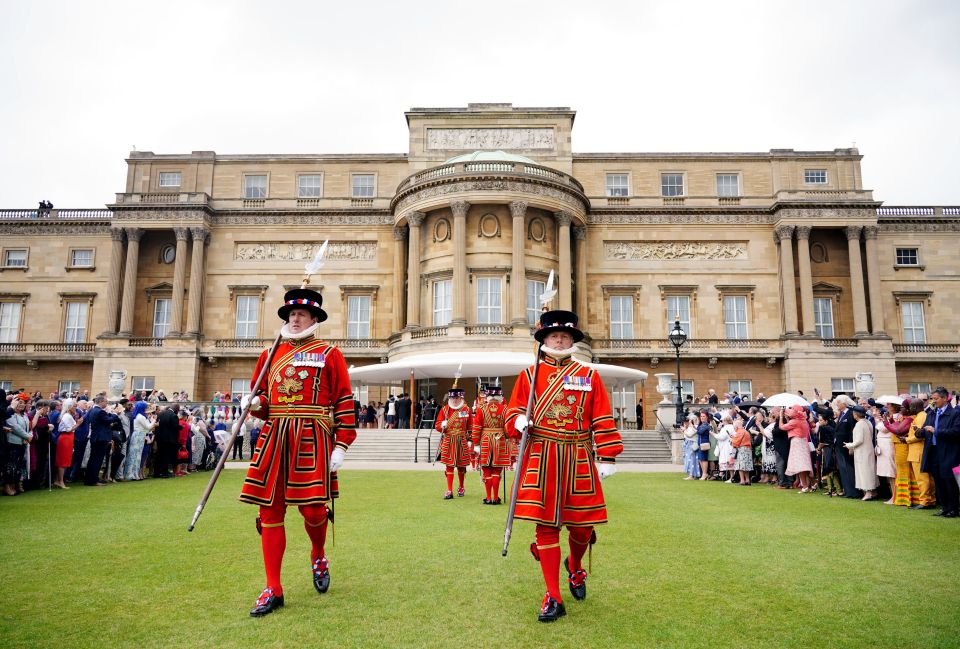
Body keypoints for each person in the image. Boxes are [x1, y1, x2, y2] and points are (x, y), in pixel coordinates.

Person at [239, 287, 356, 617]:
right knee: (269, 513)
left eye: (301, 314)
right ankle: (273, 587)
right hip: (275, 435)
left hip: (312, 435)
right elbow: (262, 397)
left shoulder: (329, 353)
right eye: (290, 315)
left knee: (314, 511)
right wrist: (255, 403)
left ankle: (318, 553)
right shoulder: (269, 353)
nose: (294, 319)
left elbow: (345, 400)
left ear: (314, 319)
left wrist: (342, 443)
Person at [504, 309, 622, 623]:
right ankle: (553, 596)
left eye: (565, 336)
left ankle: (575, 565)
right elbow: (512, 411)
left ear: (572, 339)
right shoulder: (528, 377)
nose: (559, 340)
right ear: (544, 339)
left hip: (578, 456)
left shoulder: (589, 375)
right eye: (554, 336)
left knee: (582, 527)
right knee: (546, 526)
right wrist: (517, 419)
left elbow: (601, 415)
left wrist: (607, 454)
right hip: (542, 456)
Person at [917, 387, 960, 517]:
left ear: (944, 398)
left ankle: (953, 509)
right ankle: (944, 507)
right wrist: (920, 432)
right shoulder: (932, 413)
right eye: (932, 399)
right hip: (933, 451)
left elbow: (956, 432)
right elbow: (926, 429)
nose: (934, 401)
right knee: (938, 480)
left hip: (949, 451)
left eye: (936, 399)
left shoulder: (955, 413)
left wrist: (936, 431)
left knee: (949, 480)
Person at [471, 384, 510, 503]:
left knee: (487, 470)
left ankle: (488, 498)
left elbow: (476, 428)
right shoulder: (505, 409)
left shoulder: (481, 409)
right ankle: (495, 498)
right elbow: (508, 428)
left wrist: (476, 444)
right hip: (500, 441)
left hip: (486, 440)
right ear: (500, 396)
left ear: (487, 396)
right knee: (497, 470)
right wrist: (507, 438)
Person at [434, 383, 472, 499]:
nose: (455, 400)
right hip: (449, 440)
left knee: (461, 466)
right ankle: (449, 490)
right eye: (453, 398)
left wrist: (471, 440)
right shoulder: (445, 410)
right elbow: (437, 426)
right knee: (449, 467)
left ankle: (461, 486)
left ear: (461, 398)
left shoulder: (466, 409)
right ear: (450, 398)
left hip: (461, 440)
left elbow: (470, 426)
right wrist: (442, 425)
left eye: (457, 398)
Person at [84, 396, 121, 486]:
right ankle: (93, 480)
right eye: (105, 402)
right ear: (101, 401)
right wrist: (115, 414)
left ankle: (90, 479)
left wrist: (110, 414)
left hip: (95, 436)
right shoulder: (99, 411)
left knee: (93, 459)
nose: (106, 404)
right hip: (101, 437)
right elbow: (109, 420)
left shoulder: (92, 410)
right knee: (97, 459)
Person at [845, 405, 878, 501]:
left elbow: (859, 440)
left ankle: (868, 493)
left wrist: (849, 445)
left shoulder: (860, 424)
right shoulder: (867, 422)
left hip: (862, 451)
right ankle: (873, 492)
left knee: (864, 471)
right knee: (870, 470)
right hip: (868, 450)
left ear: (856, 414)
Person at [781, 405, 813, 492]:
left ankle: (805, 486)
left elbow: (782, 427)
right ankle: (809, 485)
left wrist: (781, 417)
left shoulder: (795, 421)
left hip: (797, 443)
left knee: (800, 465)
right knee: (805, 465)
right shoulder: (804, 421)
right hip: (804, 442)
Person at [3, 398, 32, 495]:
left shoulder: (24, 415)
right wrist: (27, 436)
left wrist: (28, 436)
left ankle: (15, 485)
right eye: (19, 402)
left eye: (23, 403)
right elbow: (15, 427)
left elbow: (29, 428)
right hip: (12, 443)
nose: (22, 404)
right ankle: (7, 487)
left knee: (18, 466)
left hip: (22, 443)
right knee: (11, 466)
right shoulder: (10, 414)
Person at [833, 395, 859, 498]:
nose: (837, 404)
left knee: (848, 468)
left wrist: (851, 446)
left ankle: (853, 492)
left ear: (844, 403)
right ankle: (847, 491)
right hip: (839, 445)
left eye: (839, 402)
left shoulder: (850, 413)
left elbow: (852, 431)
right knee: (843, 469)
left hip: (846, 446)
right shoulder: (841, 414)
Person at [54, 399, 82, 489]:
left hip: (68, 438)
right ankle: (60, 481)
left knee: (65, 460)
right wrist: (78, 424)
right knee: (62, 460)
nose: (76, 408)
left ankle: (59, 480)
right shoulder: (67, 416)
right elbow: (69, 429)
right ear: (69, 407)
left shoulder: (68, 415)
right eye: (74, 406)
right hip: (65, 438)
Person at [682, 414, 700, 480]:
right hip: (689, 443)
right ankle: (692, 474)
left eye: (689, 419)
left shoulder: (695, 426)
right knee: (690, 459)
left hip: (692, 444)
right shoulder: (691, 427)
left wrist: (684, 430)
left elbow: (689, 435)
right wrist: (685, 429)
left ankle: (692, 475)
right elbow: (686, 436)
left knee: (692, 460)